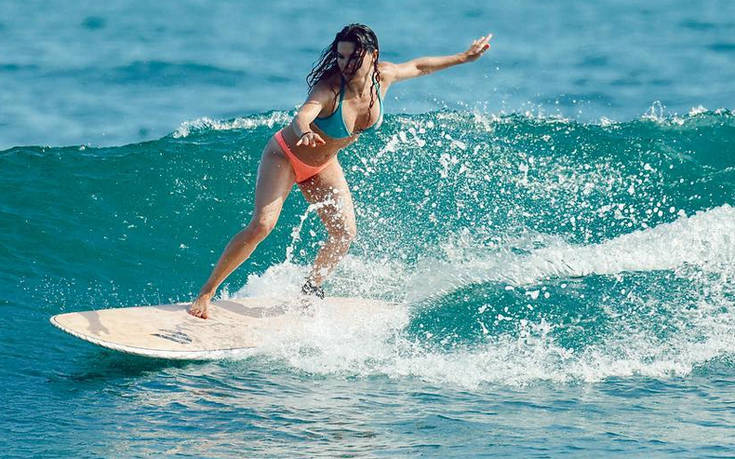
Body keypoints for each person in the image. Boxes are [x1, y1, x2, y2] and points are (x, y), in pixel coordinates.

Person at [189, 24, 492, 319]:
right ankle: (206, 292)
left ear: (373, 55)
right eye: (341, 56)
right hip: (285, 156)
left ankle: (310, 289)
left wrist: (464, 57)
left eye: (354, 57)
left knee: (344, 233)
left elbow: (418, 66)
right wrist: (305, 130)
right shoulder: (330, 88)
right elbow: (303, 115)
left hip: (323, 164)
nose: (345, 64)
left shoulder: (383, 76)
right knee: (261, 226)